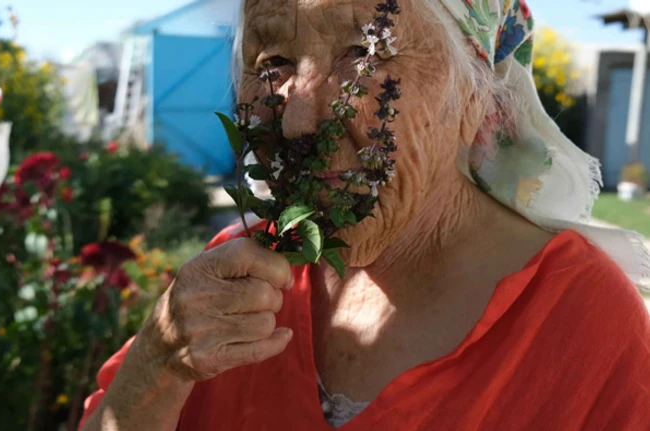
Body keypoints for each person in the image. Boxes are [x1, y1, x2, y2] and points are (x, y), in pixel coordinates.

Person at [80, 0, 650, 429]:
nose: (299, 119)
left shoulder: (587, 328)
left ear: (476, 94)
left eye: (364, 54)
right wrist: (157, 366)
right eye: (272, 60)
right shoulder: (233, 279)